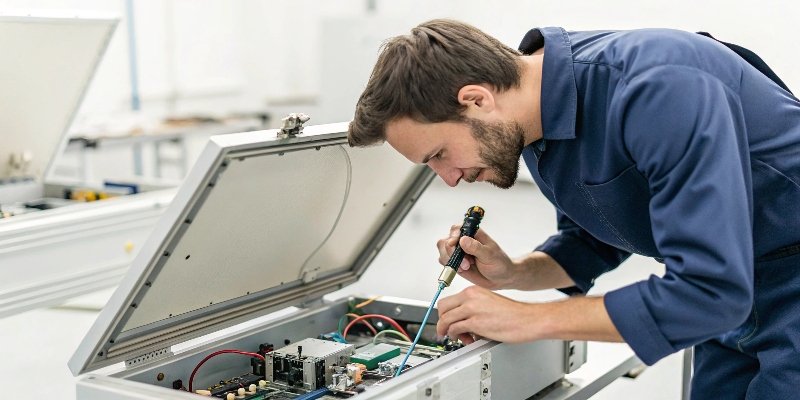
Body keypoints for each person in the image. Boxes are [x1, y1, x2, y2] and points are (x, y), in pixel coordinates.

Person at [347, 19, 800, 398]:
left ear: (477, 100)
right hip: (736, 299)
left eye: (439, 155)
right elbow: (594, 241)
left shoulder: (658, 85)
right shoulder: (527, 123)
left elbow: (710, 292)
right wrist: (514, 273)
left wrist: (528, 319)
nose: (448, 178)